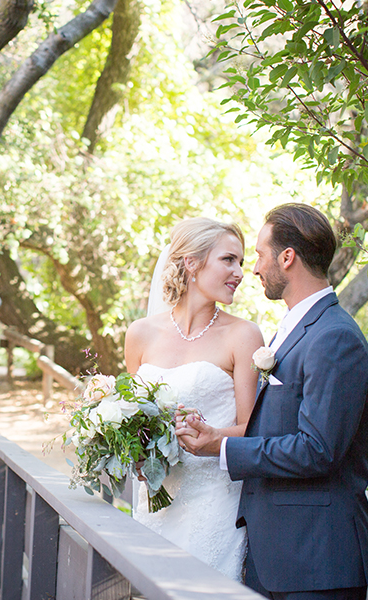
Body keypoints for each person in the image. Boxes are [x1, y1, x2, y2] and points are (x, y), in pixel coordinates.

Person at [175, 203, 368, 600]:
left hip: (316, 564)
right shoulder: (295, 328)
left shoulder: (335, 337)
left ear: (288, 258)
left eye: (261, 256)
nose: (252, 269)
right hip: (276, 556)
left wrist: (223, 446)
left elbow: (318, 449)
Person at [124, 217, 264, 581]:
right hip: (156, 498)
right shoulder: (140, 334)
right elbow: (132, 421)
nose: (239, 272)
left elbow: (254, 430)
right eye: (228, 260)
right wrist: (134, 452)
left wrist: (211, 435)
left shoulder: (244, 336)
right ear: (191, 262)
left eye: (242, 263)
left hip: (214, 504)